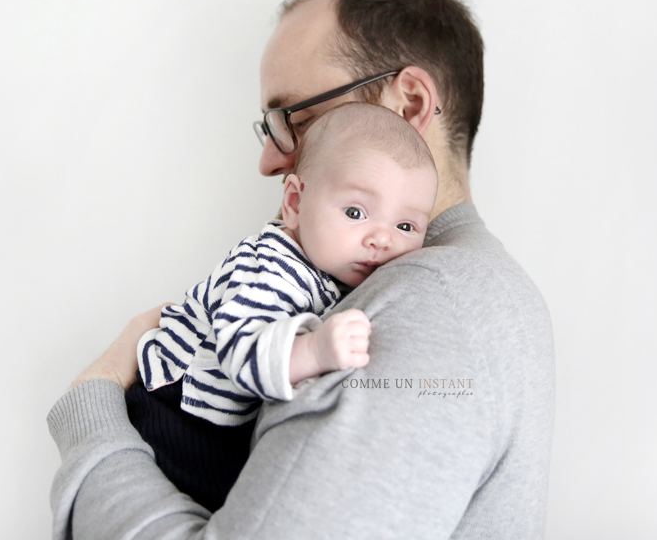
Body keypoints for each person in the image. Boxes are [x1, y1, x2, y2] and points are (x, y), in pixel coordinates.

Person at [48, 0, 555, 539]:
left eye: (296, 117)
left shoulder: (427, 300)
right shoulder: (473, 292)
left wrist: (89, 415)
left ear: (410, 105)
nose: (268, 160)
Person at [124, 102, 438, 511]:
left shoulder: (331, 269)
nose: (382, 239)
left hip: (220, 414)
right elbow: (240, 353)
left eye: (406, 226)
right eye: (356, 212)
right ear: (293, 203)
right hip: (177, 405)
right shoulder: (270, 268)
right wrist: (314, 350)